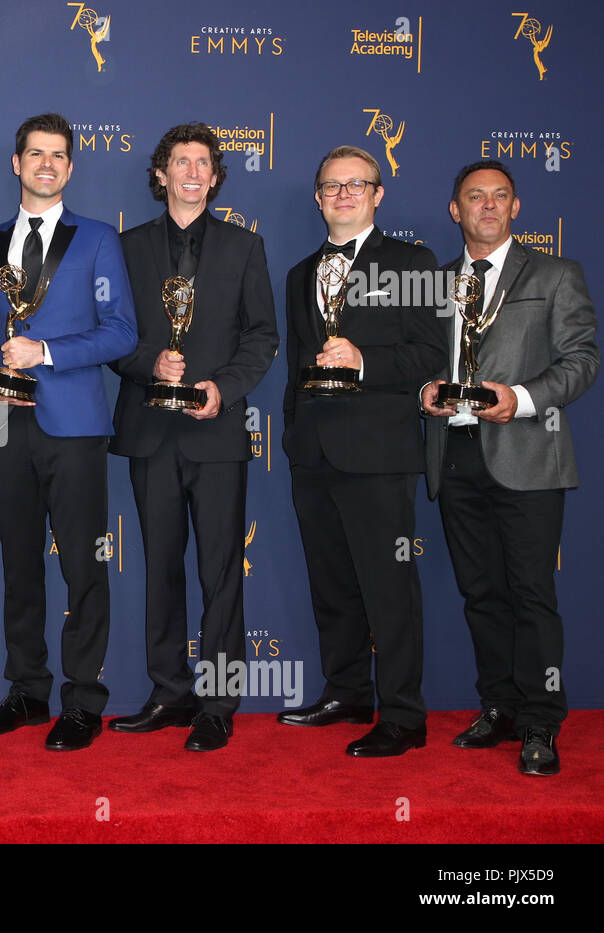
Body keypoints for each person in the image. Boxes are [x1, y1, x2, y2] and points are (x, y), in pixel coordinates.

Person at [421, 160, 598, 776]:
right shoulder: (435, 283)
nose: (488, 207)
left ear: (516, 209)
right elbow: (422, 358)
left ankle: (541, 721)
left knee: (531, 594)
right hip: (455, 454)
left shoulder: (555, 274)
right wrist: (425, 390)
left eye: (500, 197)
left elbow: (581, 360)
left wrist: (518, 400)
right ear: (456, 210)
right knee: (481, 594)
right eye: (475, 197)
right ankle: (497, 706)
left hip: (527, 453)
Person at [0, 113, 137, 751]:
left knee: (84, 566)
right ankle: (27, 691)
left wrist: (47, 353)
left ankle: (84, 701)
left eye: (58, 155)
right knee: (18, 563)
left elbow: (122, 332)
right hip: (6, 426)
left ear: (70, 167)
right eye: (34, 154)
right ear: (16, 163)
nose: (45, 164)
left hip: (74, 428)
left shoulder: (97, 239)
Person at [108, 123, 278, 751]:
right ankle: (169, 693)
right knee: (159, 568)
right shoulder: (124, 248)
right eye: (180, 161)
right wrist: (150, 361)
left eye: (202, 163)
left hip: (216, 432)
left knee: (221, 574)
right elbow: (112, 334)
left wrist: (223, 388)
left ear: (214, 176)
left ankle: (219, 702)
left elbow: (262, 336)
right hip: (152, 430)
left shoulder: (245, 247)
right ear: (160, 173)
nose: (190, 172)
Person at [278, 145, 446, 757]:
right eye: (332, 186)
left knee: (389, 589)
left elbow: (432, 356)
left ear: (378, 195)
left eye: (357, 184)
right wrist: (295, 434)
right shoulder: (300, 274)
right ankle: (346, 691)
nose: (343, 194)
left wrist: (364, 361)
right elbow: (298, 362)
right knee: (333, 584)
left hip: (378, 453)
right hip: (313, 453)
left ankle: (403, 715)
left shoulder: (411, 261)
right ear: (318, 198)